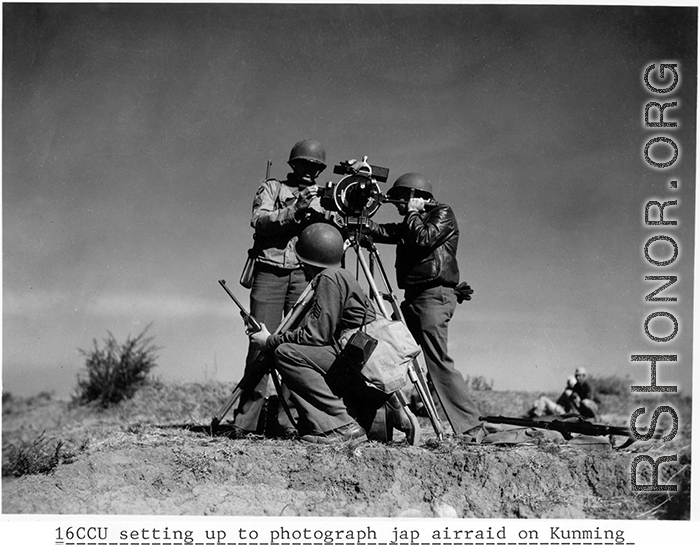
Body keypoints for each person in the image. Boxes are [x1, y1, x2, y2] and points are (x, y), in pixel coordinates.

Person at [248, 223, 411, 443]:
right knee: (292, 350)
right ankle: (374, 407)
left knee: (285, 352)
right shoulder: (341, 275)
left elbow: (316, 336)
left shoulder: (328, 279)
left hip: (355, 365)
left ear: (305, 260)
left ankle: (341, 426)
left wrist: (269, 340)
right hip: (361, 362)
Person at [364, 172, 483, 440]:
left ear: (415, 197)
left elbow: (423, 237)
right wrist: (361, 225)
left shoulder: (442, 213)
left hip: (433, 296)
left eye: (400, 200)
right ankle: (382, 424)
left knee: (437, 362)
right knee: (385, 349)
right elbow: (387, 231)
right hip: (414, 299)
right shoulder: (411, 221)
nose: (397, 206)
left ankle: (471, 428)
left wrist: (412, 214)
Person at [232, 139, 333, 436]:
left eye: (316, 167)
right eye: (304, 164)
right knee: (260, 346)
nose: (309, 171)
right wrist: (294, 209)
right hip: (270, 274)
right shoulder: (272, 189)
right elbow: (259, 220)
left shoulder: (321, 197)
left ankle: (288, 423)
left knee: (295, 348)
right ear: (293, 165)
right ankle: (244, 423)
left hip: (304, 276)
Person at [531, 367, 599, 419]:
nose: (577, 378)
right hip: (564, 409)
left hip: (585, 408)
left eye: (579, 376)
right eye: (576, 376)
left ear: (584, 376)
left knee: (585, 402)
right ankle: (534, 416)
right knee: (541, 400)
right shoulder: (576, 387)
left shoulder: (588, 386)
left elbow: (589, 400)